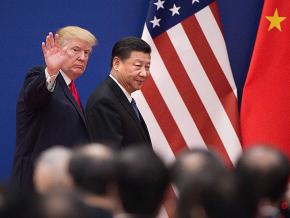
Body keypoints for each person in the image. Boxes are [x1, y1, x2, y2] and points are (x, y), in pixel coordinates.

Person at [12, 26, 97, 190]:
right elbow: (34, 97)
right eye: (76, 50)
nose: (82, 57)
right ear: (58, 50)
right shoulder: (40, 77)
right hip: (35, 186)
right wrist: (51, 71)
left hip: (64, 186)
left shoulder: (71, 88)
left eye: (86, 53)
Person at [85, 37, 152, 149]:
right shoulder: (104, 101)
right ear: (116, 63)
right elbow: (110, 157)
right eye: (138, 66)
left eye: (147, 67)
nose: (144, 73)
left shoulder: (123, 97)